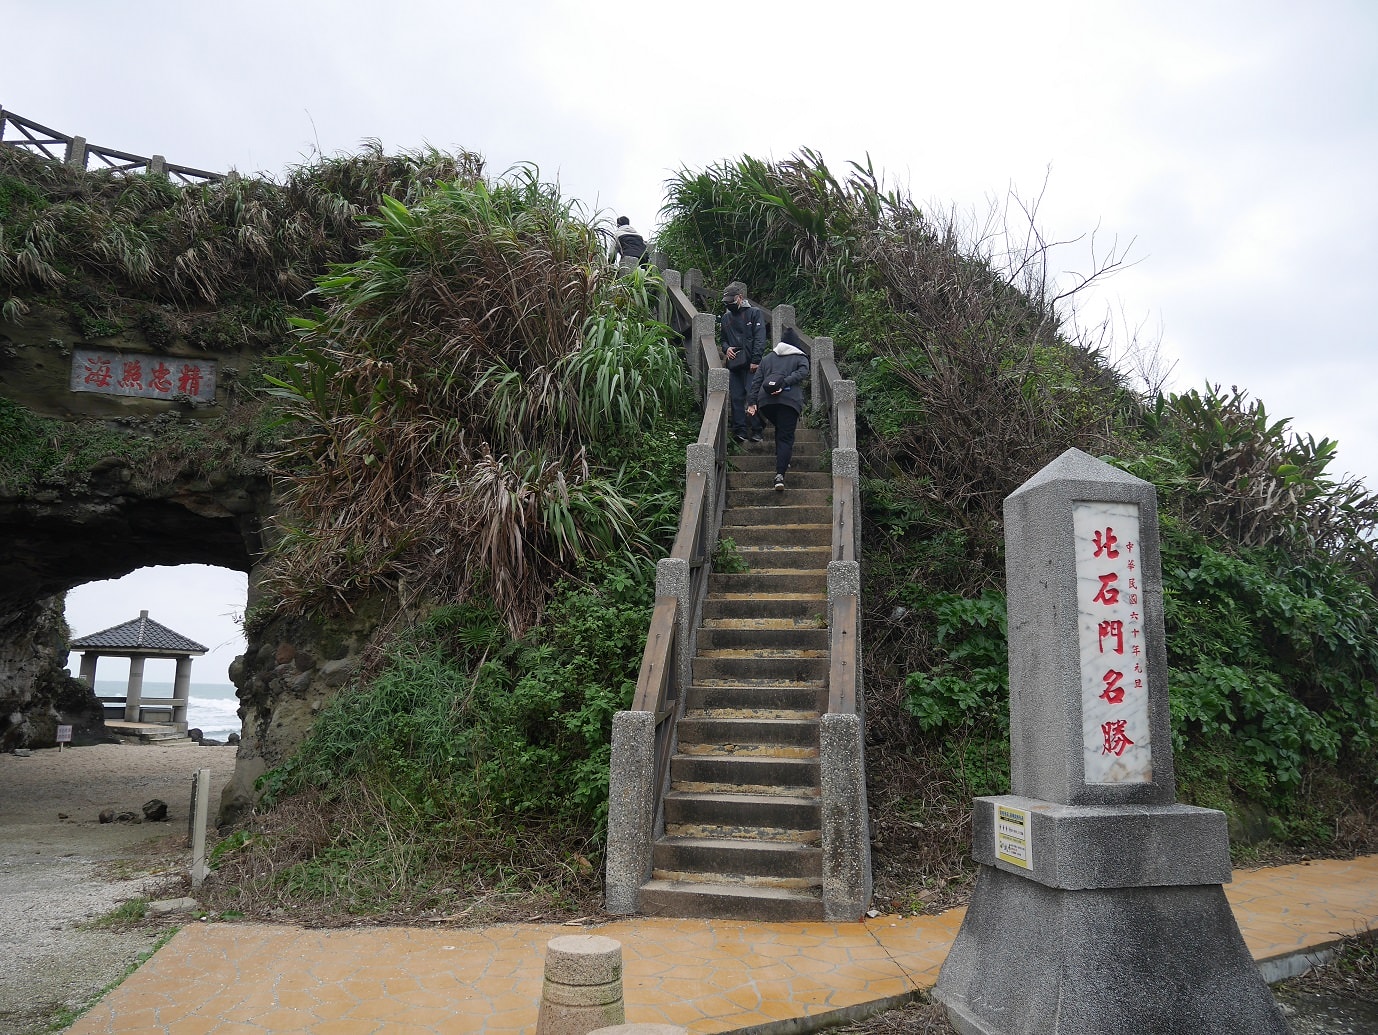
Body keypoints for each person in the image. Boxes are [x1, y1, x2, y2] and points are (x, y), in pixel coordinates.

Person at [747, 329, 810, 490]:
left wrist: (752, 402)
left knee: (780, 429)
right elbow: (803, 372)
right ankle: (780, 475)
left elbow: (756, 381)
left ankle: (782, 459)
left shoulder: (768, 358)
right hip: (789, 402)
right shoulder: (800, 357)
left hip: (766, 403)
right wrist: (785, 383)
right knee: (785, 437)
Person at [720, 280, 766, 442]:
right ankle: (739, 430)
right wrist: (727, 349)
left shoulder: (754, 313)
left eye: (731, 301)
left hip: (751, 364)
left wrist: (756, 360)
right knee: (737, 397)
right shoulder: (726, 318)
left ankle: (757, 429)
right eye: (727, 302)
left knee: (752, 396)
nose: (729, 304)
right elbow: (723, 340)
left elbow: (760, 338)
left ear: (740, 298)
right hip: (734, 364)